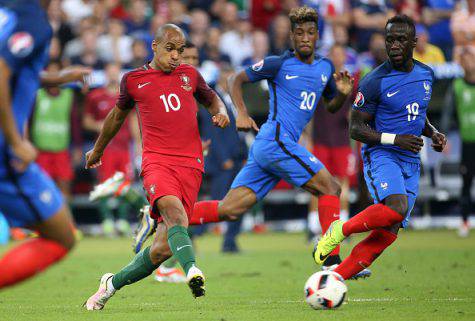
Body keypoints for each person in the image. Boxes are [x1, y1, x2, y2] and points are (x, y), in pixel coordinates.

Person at [190, 7, 367, 277]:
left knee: (230, 209)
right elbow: (234, 79)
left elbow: (331, 107)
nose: (305, 38)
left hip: (272, 148)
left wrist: (342, 94)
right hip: (276, 140)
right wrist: (243, 113)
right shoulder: (279, 64)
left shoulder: (325, 67)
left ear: (317, 35)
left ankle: (167, 217)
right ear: (292, 37)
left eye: (310, 32)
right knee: (330, 188)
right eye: (299, 33)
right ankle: (333, 263)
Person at [84, 24, 230, 310]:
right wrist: (98, 150)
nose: (176, 56)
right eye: (170, 49)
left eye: (180, 50)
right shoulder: (134, 79)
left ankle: (109, 285)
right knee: (175, 216)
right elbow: (116, 116)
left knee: (162, 249)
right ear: (155, 46)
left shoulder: (190, 75)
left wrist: (220, 113)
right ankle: (192, 270)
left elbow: (212, 99)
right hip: (157, 162)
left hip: (190, 166)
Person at [313, 15, 447, 280]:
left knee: (390, 230)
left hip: (410, 158)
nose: (394, 45)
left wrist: (432, 132)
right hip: (382, 154)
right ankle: (340, 229)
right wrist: (395, 140)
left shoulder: (426, 74)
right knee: (396, 206)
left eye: (400, 40)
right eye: (390, 40)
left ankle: (335, 279)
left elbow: (416, 114)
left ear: (414, 42)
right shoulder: (374, 81)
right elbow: (356, 129)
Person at [0, 0, 90, 289]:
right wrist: (16, 140)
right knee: (61, 236)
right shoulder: (32, 20)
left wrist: (58, 77)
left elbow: (15, 72)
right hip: (5, 152)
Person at [84, 62, 140, 237]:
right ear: (106, 74)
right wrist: (98, 125)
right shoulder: (95, 96)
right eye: (110, 71)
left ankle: (122, 221)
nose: (113, 75)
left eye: (116, 71)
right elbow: (86, 121)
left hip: (123, 148)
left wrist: (138, 143)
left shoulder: (126, 96)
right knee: (104, 185)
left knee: (124, 184)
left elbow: (132, 121)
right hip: (104, 149)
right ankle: (107, 221)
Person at [453, 47, 475, 238]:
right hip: (467, 143)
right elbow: (447, 112)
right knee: (466, 183)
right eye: (464, 59)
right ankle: (464, 222)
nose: (468, 62)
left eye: (471, 58)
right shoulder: (457, 86)